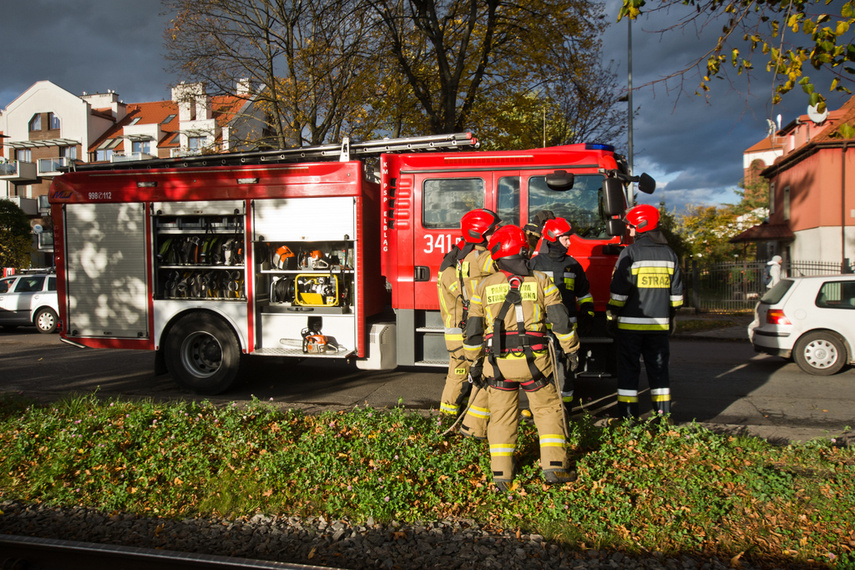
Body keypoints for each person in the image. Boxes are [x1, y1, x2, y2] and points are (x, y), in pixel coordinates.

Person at [463, 224, 580, 490]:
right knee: (548, 411)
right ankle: (555, 468)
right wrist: (571, 349)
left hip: (498, 363)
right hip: (536, 363)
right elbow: (560, 322)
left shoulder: (483, 286)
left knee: (502, 416)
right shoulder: (541, 281)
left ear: (497, 253)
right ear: (523, 250)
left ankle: (502, 474)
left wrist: (474, 363)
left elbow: (473, 332)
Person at [607, 204, 683, 421]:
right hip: (659, 328)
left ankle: (628, 418)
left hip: (630, 327)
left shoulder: (630, 252)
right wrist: (671, 316)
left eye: (630, 227)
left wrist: (612, 314)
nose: (629, 231)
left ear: (640, 226)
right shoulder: (670, 254)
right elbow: (676, 297)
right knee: (659, 372)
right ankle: (662, 418)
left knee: (629, 373)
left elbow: (619, 293)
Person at [437, 208, 501, 438]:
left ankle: (451, 421)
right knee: (470, 376)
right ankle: (462, 427)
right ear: (479, 234)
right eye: (493, 230)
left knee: (461, 375)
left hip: (460, 329)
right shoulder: (472, 261)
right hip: (462, 331)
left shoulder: (456, 260)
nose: (497, 233)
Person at [530, 217, 594, 407]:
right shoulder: (534, 264)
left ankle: (565, 406)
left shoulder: (573, 264)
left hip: (567, 327)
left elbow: (583, 293)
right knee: (541, 366)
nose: (569, 242)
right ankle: (544, 406)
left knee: (565, 368)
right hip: (540, 327)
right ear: (554, 238)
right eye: (566, 238)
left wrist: (588, 311)